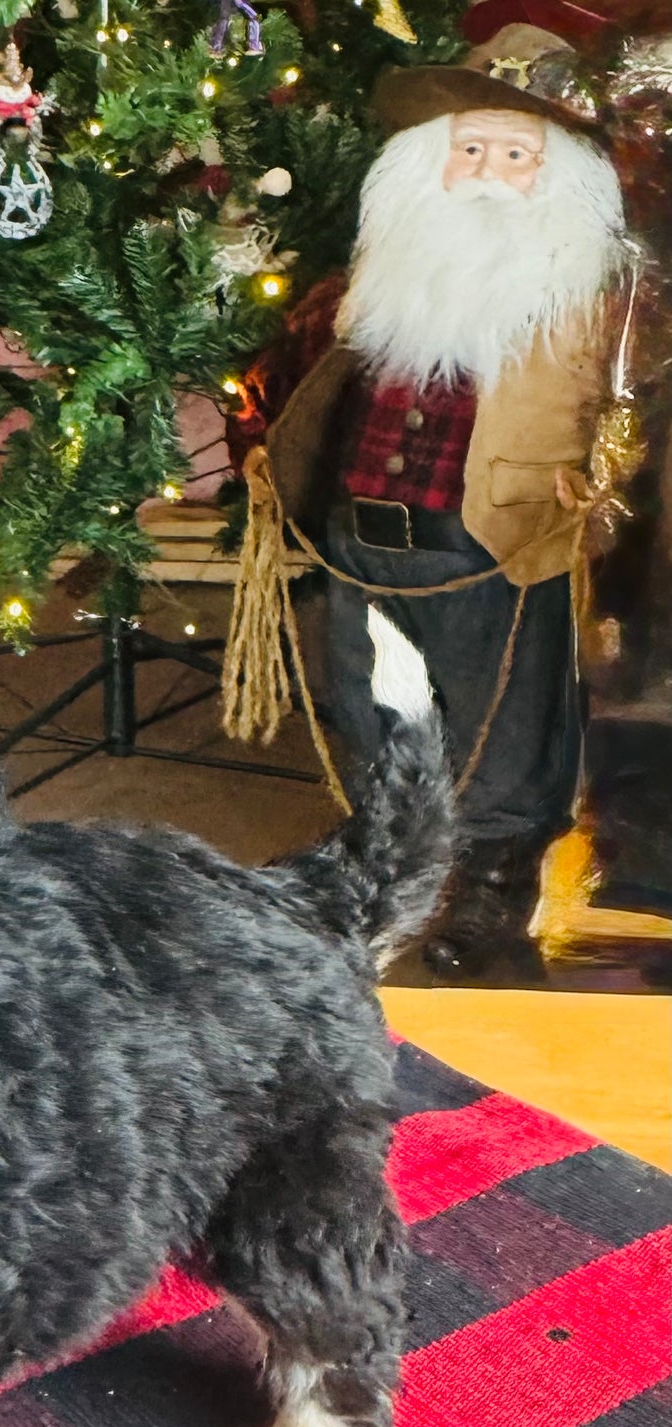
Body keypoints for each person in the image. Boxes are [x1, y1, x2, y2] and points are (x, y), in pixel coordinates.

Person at [227, 22, 632, 974]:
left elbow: (621, 411)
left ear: (559, 177)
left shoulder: (584, 299)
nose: (489, 172)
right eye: (472, 149)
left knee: (501, 726)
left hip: (491, 538)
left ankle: (490, 884)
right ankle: (381, 856)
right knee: (370, 703)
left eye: (517, 155)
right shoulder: (377, 281)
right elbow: (317, 378)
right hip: (361, 533)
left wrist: (602, 482)